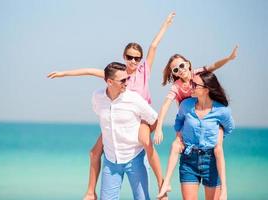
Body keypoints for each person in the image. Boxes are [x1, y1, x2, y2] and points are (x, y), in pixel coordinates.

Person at [47, 12, 176, 200]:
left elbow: (154, 45)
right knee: (94, 152)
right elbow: (89, 71)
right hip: (118, 120)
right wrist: (64, 73)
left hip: (141, 119)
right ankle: (91, 192)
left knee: (146, 143)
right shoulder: (115, 74)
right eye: (130, 57)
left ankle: (162, 185)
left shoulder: (144, 70)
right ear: (124, 57)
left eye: (137, 58)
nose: (133, 61)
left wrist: (166, 23)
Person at [155, 46, 238, 199]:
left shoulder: (198, 75)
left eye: (181, 65)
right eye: (175, 70)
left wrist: (228, 58)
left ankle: (224, 188)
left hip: (208, 152)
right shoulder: (177, 86)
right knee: (175, 145)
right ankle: (166, 183)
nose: (180, 70)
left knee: (218, 149)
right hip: (187, 123)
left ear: (188, 64)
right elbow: (166, 105)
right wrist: (159, 127)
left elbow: (213, 66)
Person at [92, 62, 158, 199]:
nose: (126, 83)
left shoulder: (134, 99)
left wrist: (143, 133)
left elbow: (154, 119)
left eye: (127, 78)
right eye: (123, 80)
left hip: (135, 158)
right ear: (109, 81)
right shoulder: (97, 97)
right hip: (110, 162)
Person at [171, 71, 234, 200]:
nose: (191, 86)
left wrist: (220, 132)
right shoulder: (186, 105)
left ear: (206, 89)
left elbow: (229, 127)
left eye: (195, 84)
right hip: (189, 160)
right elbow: (178, 122)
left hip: (211, 161)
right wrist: (180, 136)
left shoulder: (222, 110)